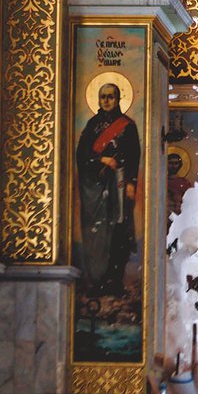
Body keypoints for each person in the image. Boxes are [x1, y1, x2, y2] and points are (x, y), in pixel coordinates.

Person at [75, 82, 141, 295]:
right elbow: (82, 155)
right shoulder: (92, 125)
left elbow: (133, 155)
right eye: (103, 96)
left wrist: (131, 182)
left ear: (118, 99)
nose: (106, 100)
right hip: (96, 188)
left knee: (119, 229)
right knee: (98, 232)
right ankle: (97, 280)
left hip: (120, 185)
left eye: (110, 96)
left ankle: (115, 279)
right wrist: (101, 159)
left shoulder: (127, 126)